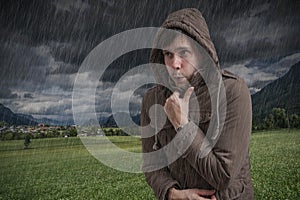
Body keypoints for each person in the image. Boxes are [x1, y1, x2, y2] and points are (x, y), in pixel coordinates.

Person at [141, 8, 254, 200]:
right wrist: (172, 193)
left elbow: (223, 175)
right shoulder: (152, 100)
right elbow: (152, 164)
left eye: (183, 52)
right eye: (168, 54)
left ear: (202, 52)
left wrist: (182, 126)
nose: (175, 64)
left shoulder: (232, 91)